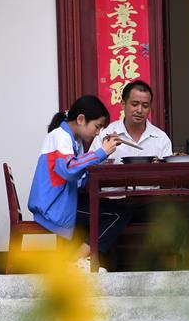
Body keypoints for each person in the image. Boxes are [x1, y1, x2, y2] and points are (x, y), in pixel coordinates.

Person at [27, 95, 130, 272]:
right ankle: (74, 260)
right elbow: (68, 169)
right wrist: (101, 153)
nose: (97, 132)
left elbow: (80, 180)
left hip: (65, 200)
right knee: (117, 214)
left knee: (118, 210)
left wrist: (99, 159)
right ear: (81, 119)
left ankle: (77, 259)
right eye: (97, 126)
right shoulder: (60, 136)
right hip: (55, 205)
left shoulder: (75, 141)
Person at [89, 80, 172, 161]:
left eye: (145, 106)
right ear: (123, 104)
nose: (139, 110)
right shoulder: (105, 134)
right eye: (134, 104)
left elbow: (169, 169)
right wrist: (104, 153)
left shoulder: (161, 138)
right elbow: (90, 166)